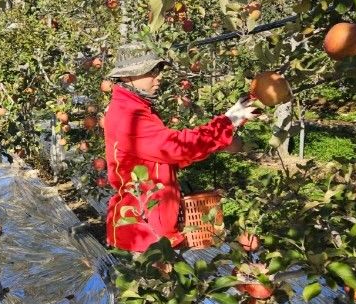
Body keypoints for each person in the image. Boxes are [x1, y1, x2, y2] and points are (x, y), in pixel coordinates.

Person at [103, 43, 258, 253]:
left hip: (149, 228)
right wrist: (225, 124)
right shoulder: (128, 115)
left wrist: (218, 140)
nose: (158, 78)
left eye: (158, 71)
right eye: (150, 72)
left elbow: (163, 157)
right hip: (142, 234)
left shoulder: (136, 108)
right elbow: (175, 148)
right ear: (128, 77)